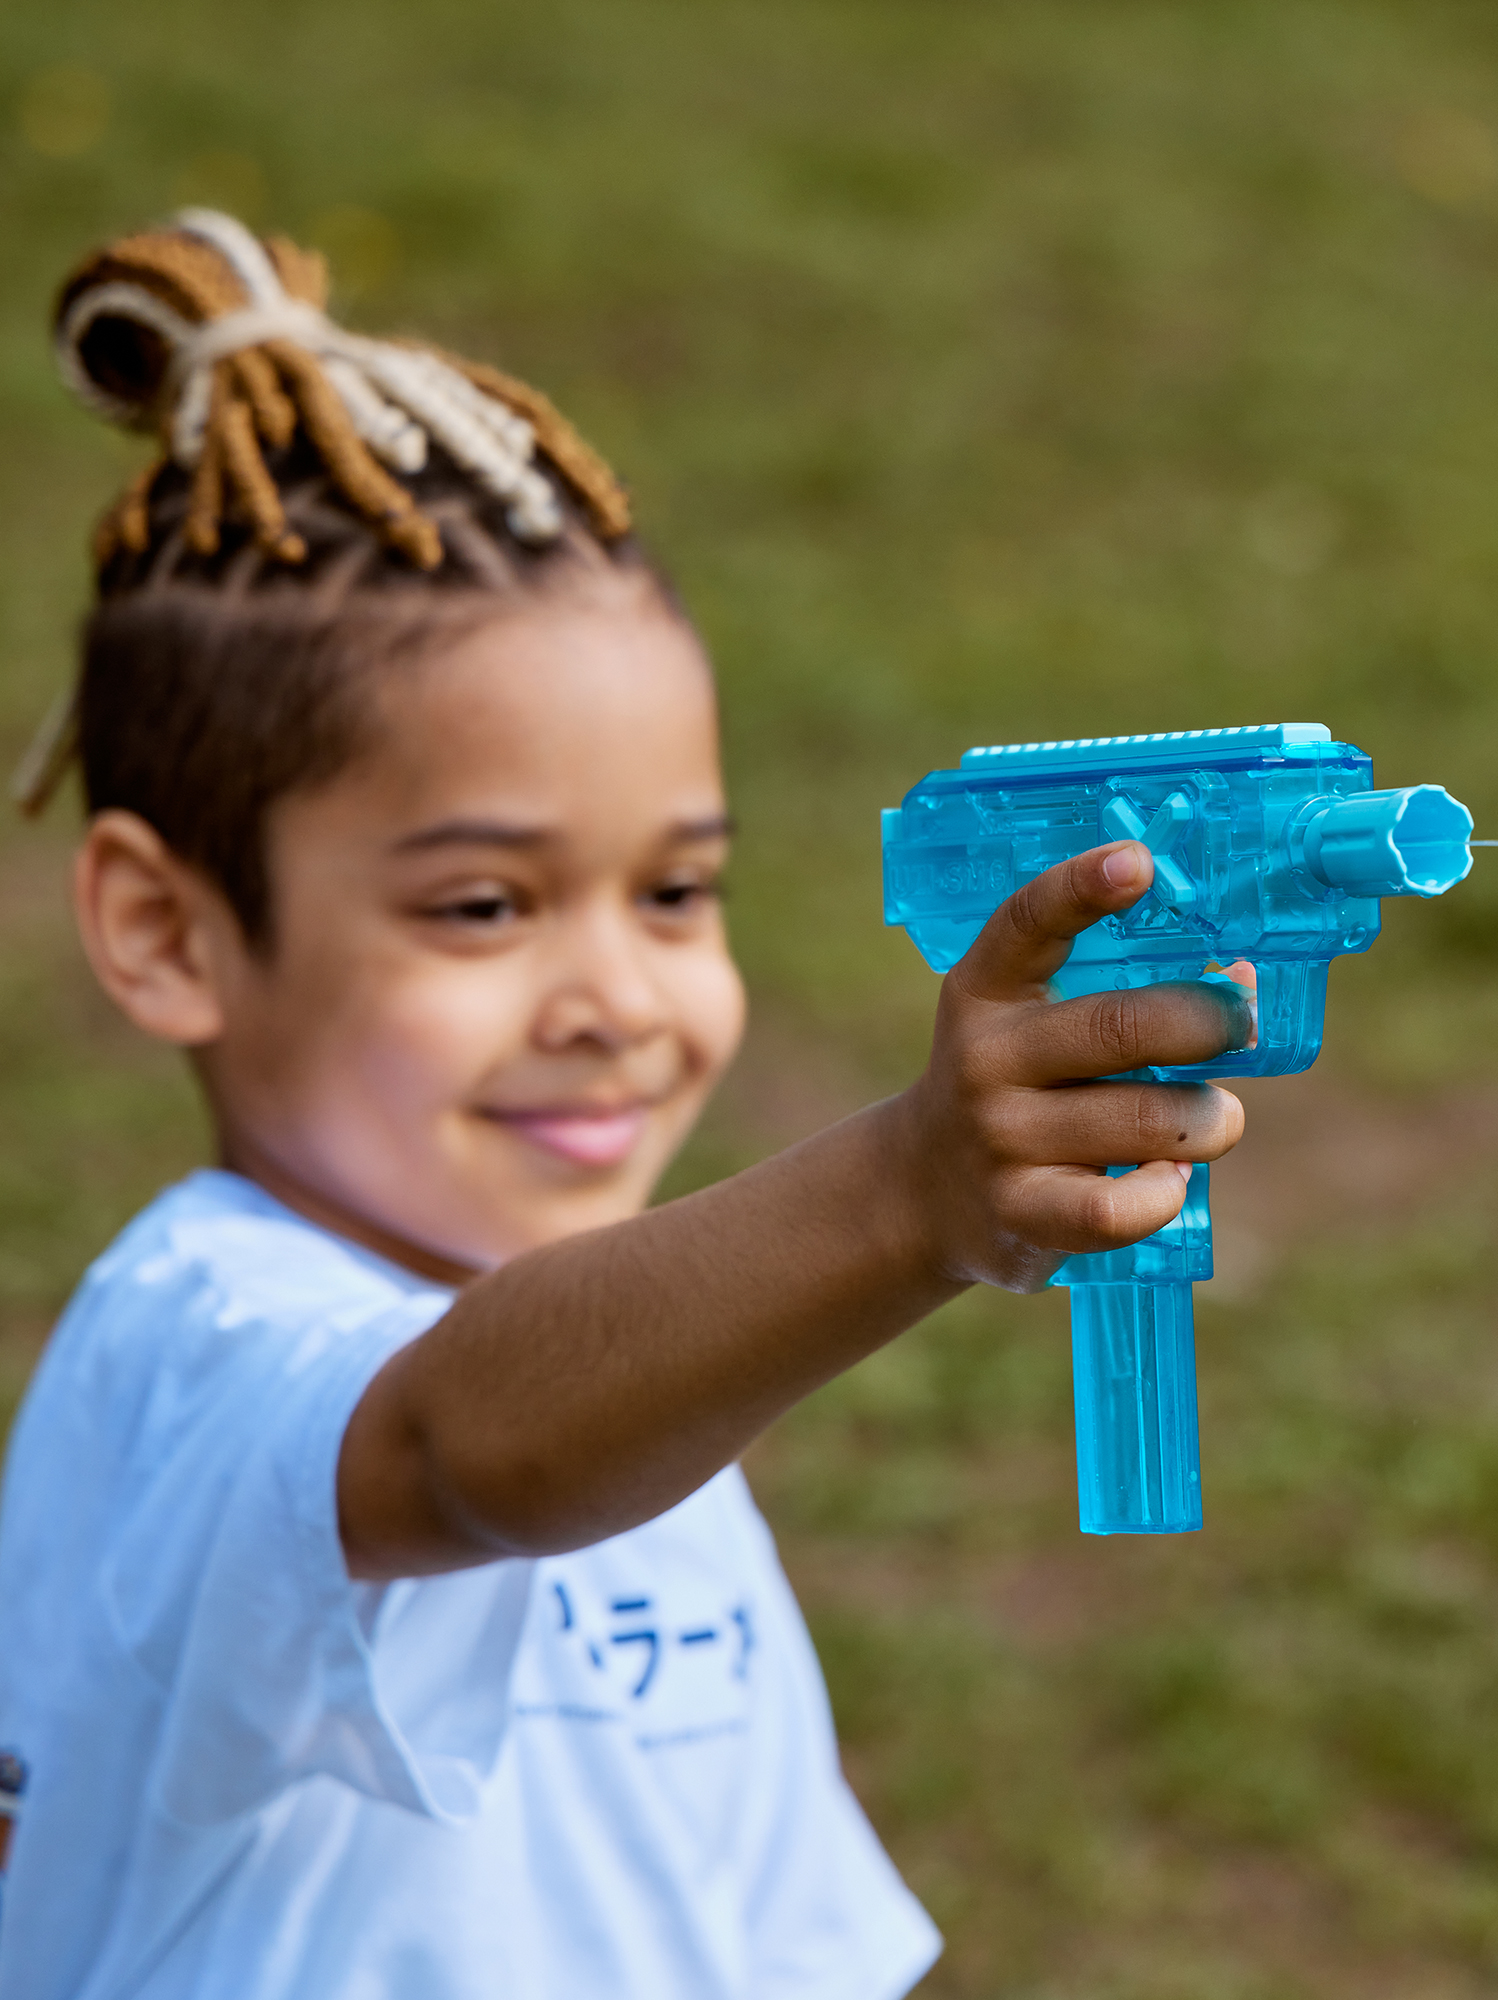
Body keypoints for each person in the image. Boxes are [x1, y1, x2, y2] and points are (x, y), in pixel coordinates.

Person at [0, 211, 1250, 1998]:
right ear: (165, 930)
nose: (615, 1002)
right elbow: (461, 1448)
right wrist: (907, 1192)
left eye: (674, 893)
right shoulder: (200, 1348)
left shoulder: (650, 1412)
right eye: (484, 906)